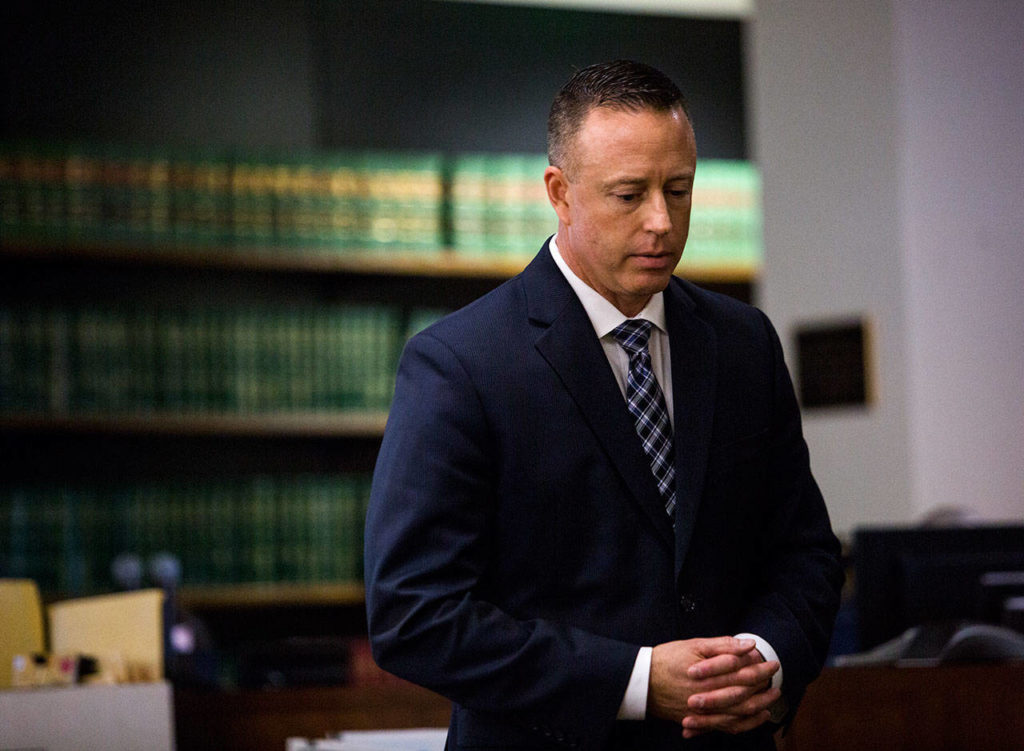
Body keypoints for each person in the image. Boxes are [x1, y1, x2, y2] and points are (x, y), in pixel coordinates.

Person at [364, 60, 844, 750]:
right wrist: (638, 678)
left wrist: (765, 660)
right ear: (560, 193)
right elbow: (414, 615)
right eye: (629, 194)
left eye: (679, 190)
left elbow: (805, 553)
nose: (661, 221)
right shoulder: (460, 364)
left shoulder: (743, 343)